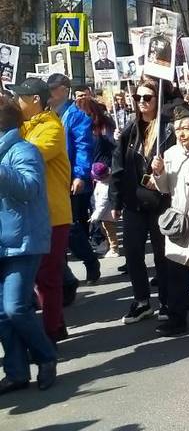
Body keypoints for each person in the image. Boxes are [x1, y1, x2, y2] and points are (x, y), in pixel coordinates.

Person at [0, 96, 58, 395]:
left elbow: (29, 189)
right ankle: (16, 372)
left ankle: (47, 357)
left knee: (15, 308)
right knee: (2, 313)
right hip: (2, 242)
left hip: (23, 242)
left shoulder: (24, 150)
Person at [11, 78, 73, 344]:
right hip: (31, 214)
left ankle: (52, 330)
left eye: (20, 98)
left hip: (53, 214)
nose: (17, 102)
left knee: (47, 276)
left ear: (35, 100)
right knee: (36, 276)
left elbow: (26, 157)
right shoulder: (24, 127)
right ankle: (54, 321)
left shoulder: (51, 127)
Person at [109, 76, 175, 324]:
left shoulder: (168, 128)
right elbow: (117, 166)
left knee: (162, 254)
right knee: (133, 252)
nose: (142, 102)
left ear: (157, 100)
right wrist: (115, 201)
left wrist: (162, 169)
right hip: (134, 202)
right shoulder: (128, 129)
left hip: (160, 202)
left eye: (147, 98)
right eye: (138, 98)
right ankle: (142, 300)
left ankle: (167, 301)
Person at [151, 105, 189, 336]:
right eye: (178, 129)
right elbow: (165, 187)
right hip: (179, 220)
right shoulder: (170, 154)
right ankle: (176, 318)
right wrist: (159, 173)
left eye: (187, 127)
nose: (182, 133)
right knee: (176, 270)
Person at [47, 73, 101, 294]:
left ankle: (90, 262)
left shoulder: (76, 116)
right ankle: (64, 275)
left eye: (53, 88)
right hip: (51, 179)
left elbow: (82, 148)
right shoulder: (46, 114)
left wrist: (80, 175)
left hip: (69, 179)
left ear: (64, 89)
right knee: (54, 229)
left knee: (70, 228)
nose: (49, 92)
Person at [89, 161, 119, 257]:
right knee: (105, 231)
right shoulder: (102, 183)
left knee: (110, 233)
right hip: (104, 215)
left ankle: (114, 249)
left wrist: (95, 216)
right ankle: (109, 246)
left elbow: (103, 204)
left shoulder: (106, 186)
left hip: (107, 215)